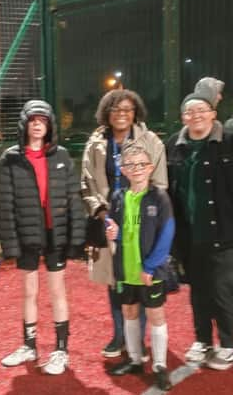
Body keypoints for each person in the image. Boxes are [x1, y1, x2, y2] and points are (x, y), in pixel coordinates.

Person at [0, 100, 85, 375]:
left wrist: (76, 237)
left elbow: (74, 199)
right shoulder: (10, 158)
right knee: (29, 292)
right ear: (24, 124)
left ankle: (61, 350)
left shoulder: (61, 157)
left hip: (55, 234)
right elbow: (6, 204)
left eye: (42, 120)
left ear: (49, 125)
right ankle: (29, 345)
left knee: (58, 290)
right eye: (33, 120)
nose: (37, 125)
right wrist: (10, 242)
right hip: (27, 235)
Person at [81, 89, 167, 358]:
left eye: (128, 109)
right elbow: (87, 182)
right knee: (115, 280)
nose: (122, 114)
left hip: (141, 222)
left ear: (135, 112)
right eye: (116, 109)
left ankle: (138, 339)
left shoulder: (151, 141)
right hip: (108, 221)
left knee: (140, 279)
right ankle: (120, 335)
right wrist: (100, 210)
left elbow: (160, 182)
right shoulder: (96, 142)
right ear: (107, 113)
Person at [166, 92, 233, 370]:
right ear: (183, 118)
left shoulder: (227, 142)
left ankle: (229, 344)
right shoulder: (174, 146)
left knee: (222, 290)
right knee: (198, 290)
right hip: (190, 233)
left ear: (213, 113)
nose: (196, 116)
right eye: (190, 112)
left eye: (202, 110)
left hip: (224, 232)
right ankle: (203, 339)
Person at [105, 143, 175, 391]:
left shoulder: (160, 197)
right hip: (125, 270)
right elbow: (113, 226)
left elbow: (166, 234)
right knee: (129, 313)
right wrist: (111, 230)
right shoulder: (118, 197)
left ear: (151, 167)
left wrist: (151, 267)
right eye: (130, 165)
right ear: (123, 170)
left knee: (156, 315)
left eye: (142, 164)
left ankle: (159, 366)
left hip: (149, 272)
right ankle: (135, 359)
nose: (136, 169)